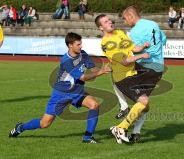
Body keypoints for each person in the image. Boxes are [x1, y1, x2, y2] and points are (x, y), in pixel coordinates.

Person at [9, 32, 111, 144]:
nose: (81, 46)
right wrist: (101, 72)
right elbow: (83, 77)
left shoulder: (83, 54)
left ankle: (87, 137)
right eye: (78, 44)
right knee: (45, 123)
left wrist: (104, 68)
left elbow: (93, 69)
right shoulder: (66, 61)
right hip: (61, 94)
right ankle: (21, 127)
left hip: (77, 92)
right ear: (70, 45)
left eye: (81, 43)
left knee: (94, 105)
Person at [95, 14, 151, 144]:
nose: (110, 22)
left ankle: (133, 131)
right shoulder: (106, 44)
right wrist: (142, 55)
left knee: (145, 106)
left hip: (133, 73)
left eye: (109, 19)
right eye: (105, 21)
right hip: (122, 77)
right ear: (100, 28)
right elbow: (125, 61)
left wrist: (142, 46)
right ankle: (121, 128)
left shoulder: (119, 32)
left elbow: (132, 48)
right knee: (143, 101)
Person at [121, 6, 167, 142]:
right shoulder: (153, 24)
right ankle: (136, 133)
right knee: (142, 101)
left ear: (130, 16)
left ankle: (123, 114)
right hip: (158, 68)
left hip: (144, 67)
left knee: (119, 81)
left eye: (125, 18)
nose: (125, 22)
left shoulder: (134, 32)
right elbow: (164, 40)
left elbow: (133, 51)